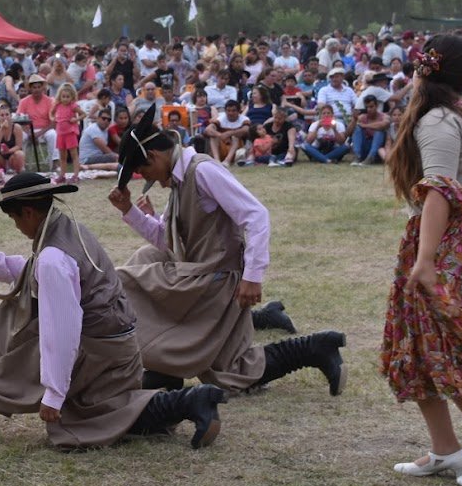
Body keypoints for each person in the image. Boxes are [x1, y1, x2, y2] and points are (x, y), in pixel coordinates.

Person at [0, 173, 225, 449]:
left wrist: (54, 394)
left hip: (100, 355)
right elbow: (33, 271)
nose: (16, 226)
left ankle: (189, 401)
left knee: (93, 418)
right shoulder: (66, 230)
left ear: (28, 212)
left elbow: (62, 331)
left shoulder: (54, 256)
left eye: (14, 218)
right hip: (115, 348)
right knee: (102, 413)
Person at [109, 105, 346, 395]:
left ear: (154, 156)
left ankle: (313, 347)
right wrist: (128, 210)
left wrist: (252, 277)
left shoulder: (202, 171)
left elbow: (256, 216)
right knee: (145, 260)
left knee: (124, 284)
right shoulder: (179, 182)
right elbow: (166, 240)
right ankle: (166, 370)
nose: (152, 181)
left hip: (214, 278)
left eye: (145, 171)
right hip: (196, 273)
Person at [380, 35, 462, 486]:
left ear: (423, 71)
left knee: (449, 350)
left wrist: (426, 260)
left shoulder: (440, 120)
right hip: (456, 239)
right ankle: (446, 449)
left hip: (453, 244)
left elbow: (440, 192)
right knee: (418, 343)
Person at [0, 100, 26, 175]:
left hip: (13, 155)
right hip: (1, 157)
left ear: (11, 115)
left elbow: (19, 146)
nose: (5, 117)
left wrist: (8, 151)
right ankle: (0, 174)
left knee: (20, 154)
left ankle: (20, 172)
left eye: (7, 115)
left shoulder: (16, 127)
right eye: (2, 115)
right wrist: (1, 130)